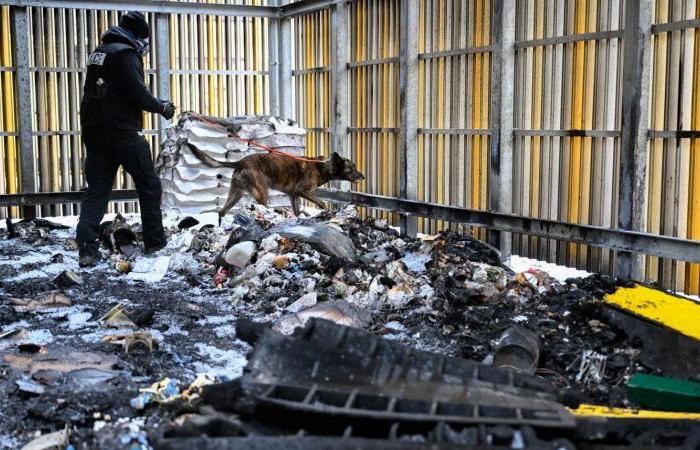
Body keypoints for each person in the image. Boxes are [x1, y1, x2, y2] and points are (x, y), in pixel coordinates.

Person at [76, 11, 175, 267]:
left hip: (94, 132)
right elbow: (138, 94)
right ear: (139, 36)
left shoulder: (100, 52)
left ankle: (86, 250)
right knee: (149, 184)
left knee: (97, 190)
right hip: (121, 133)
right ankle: (155, 242)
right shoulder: (126, 53)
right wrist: (163, 107)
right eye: (145, 38)